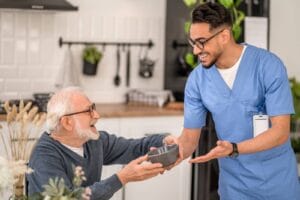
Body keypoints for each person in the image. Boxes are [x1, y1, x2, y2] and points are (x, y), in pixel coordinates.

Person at [177, 2, 300, 200]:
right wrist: (170, 153)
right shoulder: (197, 80)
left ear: (224, 36)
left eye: (201, 42)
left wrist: (234, 148)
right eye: (193, 43)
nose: (195, 51)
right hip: (234, 187)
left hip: (276, 183)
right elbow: (189, 140)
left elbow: (280, 132)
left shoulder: (268, 66)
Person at [27, 87, 177, 200]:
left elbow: (134, 147)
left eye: (94, 108)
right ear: (67, 122)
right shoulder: (44, 157)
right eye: (88, 111)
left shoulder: (93, 141)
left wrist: (163, 140)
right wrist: (122, 178)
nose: (97, 116)